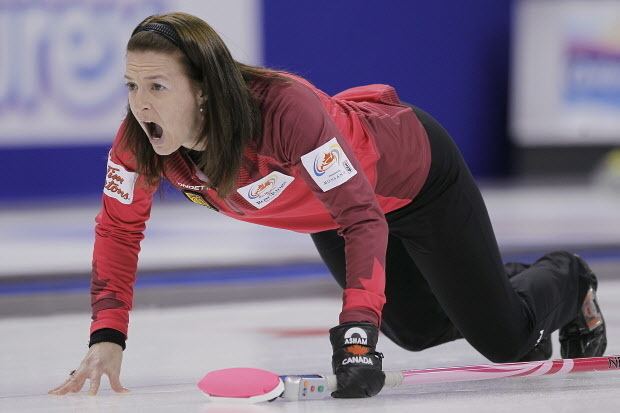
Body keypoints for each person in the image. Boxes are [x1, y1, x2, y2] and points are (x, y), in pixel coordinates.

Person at [49, 12, 607, 398]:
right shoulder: (136, 143)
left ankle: (570, 277)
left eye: (156, 87)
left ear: (202, 89)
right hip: (336, 215)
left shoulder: (283, 112)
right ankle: (480, 280)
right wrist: (107, 337)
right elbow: (119, 232)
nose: (138, 104)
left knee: (507, 341)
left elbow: (362, 215)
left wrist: (357, 333)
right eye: (130, 86)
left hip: (414, 180)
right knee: (412, 330)